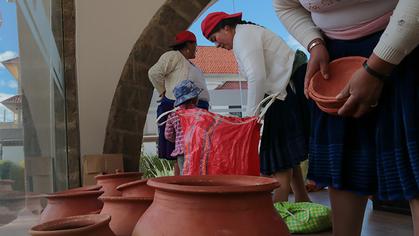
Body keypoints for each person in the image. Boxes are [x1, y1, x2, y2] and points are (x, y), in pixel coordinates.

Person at [273, 0, 419, 235]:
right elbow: (285, 5)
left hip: (407, 38)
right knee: (344, 166)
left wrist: (377, 67)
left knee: (414, 163)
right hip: (334, 58)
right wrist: (314, 42)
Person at [201, 11, 310, 203]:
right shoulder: (244, 36)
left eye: (214, 38)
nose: (216, 44)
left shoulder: (244, 36)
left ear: (226, 27)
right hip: (281, 91)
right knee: (285, 149)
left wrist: (249, 119)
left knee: (279, 152)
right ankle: (301, 199)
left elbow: (257, 77)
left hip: (287, 89)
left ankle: (278, 209)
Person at [148, 30, 210, 166]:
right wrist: (162, 91)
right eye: (195, 44)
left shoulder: (189, 63)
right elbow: (154, 73)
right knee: (181, 152)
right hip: (180, 108)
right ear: (188, 44)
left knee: (194, 153)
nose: (197, 48)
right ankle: (180, 182)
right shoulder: (173, 56)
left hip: (196, 110)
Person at [165, 80, 202, 175]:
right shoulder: (200, 114)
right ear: (194, 98)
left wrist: (178, 139)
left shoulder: (173, 114)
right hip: (198, 149)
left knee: (184, 174)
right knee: (199, 173)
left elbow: (168, 135)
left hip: (181, 151)